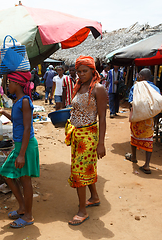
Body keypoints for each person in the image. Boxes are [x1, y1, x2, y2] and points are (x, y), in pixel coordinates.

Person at [0, 71, 39, 228]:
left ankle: (28, 216)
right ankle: (23, 208)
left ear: (18, 84)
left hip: (26, 145)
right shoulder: (18, 101)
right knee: (8, 174)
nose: (7, 85)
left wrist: (22, 155)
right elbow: (17, 121)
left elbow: (27, 128)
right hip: (20, 144)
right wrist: (3, 111)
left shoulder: (25, 101)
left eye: (10, 82)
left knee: (25, 181)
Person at [65, 56, 107, 226]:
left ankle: (82, 211)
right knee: (86, 169)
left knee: (79, 173)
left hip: (88, 137)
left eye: (85, 71)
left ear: (93, 71)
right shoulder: (79, 87)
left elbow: (103, 118)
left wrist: (101, 143)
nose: (81, 74)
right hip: (76, 135)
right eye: (79, 71)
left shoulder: (99, 89)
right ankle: (95, 197)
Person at [125, 68, 160, 174]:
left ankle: (134, 157)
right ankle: (147, 165)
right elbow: (157, 101)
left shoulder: (136, 86)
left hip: (137, 117)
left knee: (134, 135)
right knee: (149, 139)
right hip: (148, 119)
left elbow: (131, 101)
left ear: (141, 76)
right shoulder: (154, 88)